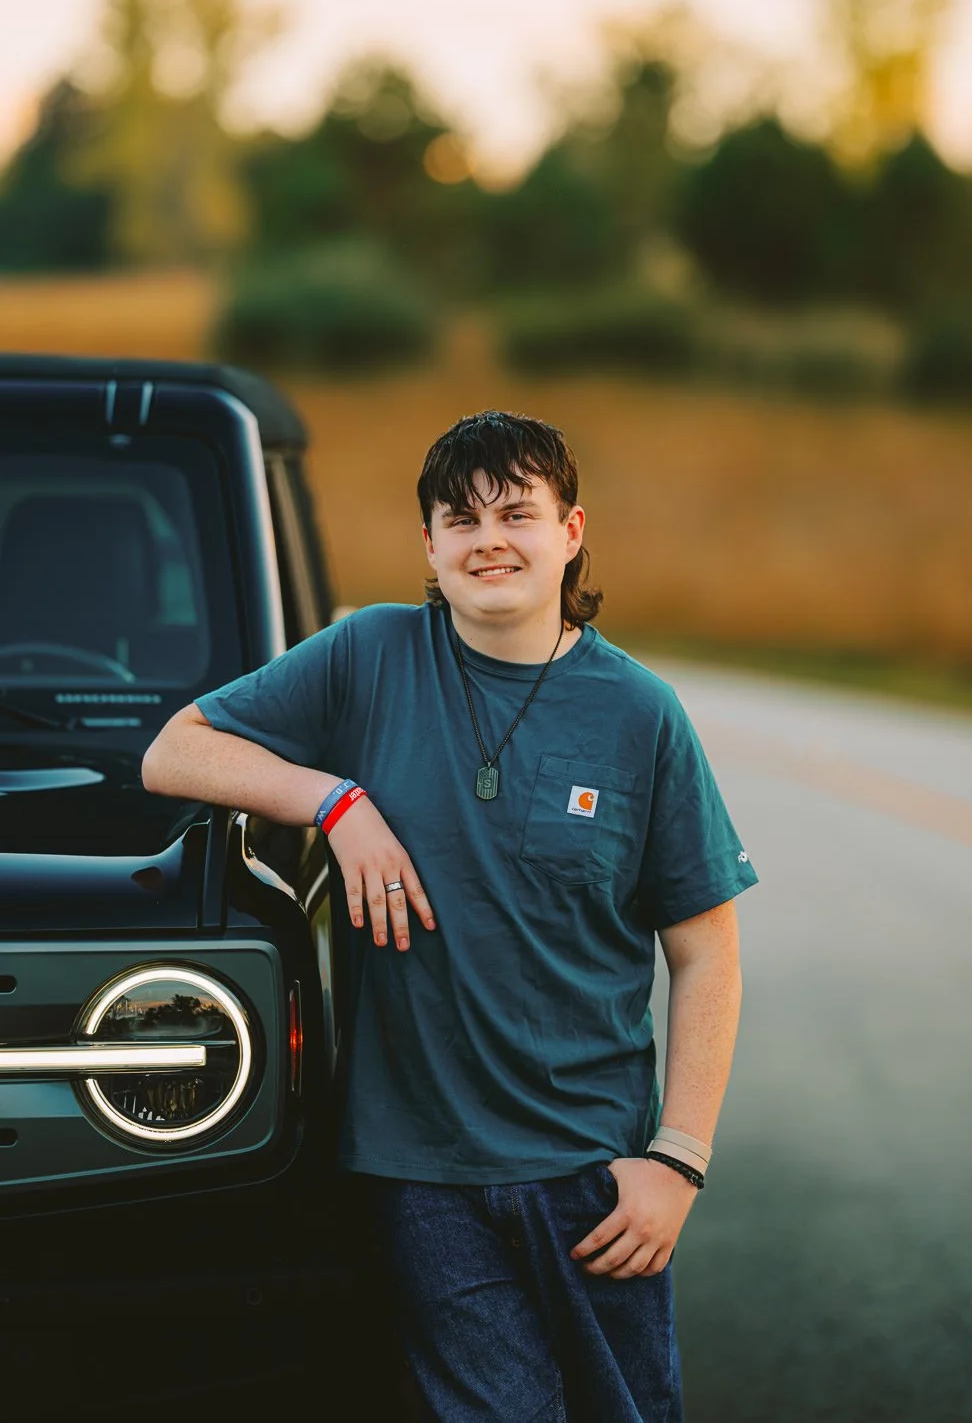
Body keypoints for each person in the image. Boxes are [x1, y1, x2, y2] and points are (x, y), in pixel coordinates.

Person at [142, 409, 758, 1422]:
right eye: (458, 520)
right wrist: (337, 804)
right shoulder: (369, 655)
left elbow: (707, 953)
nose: (488, 541)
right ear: (428, 545)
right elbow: (177, 750)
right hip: (419, 1179)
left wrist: (677, 1161)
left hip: (594, 1176)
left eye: (517, 513)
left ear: (570, 531)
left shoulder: (639, 714)